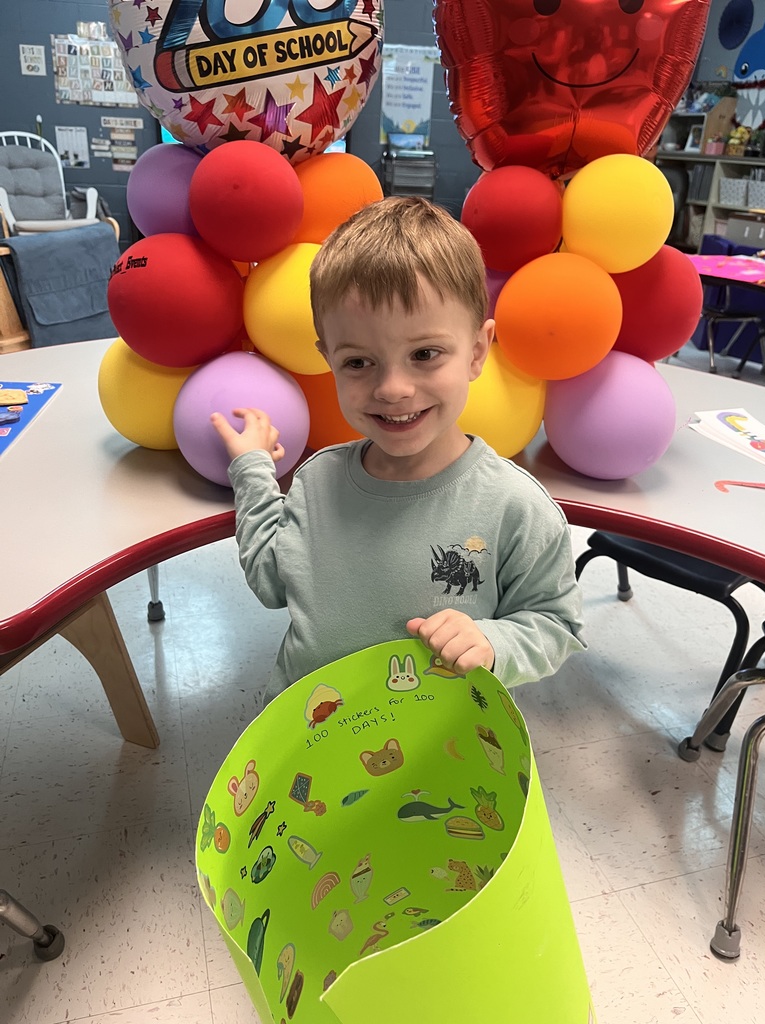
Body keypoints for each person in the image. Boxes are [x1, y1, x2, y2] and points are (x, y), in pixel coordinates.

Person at [211, 196, 585, 699]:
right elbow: (272, 580)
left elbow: (555, 625)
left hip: (440, 751)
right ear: (328, 359)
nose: (392, 388)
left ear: (477, 351)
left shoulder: (515, 507)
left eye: (424, 354)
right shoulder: (316, 482)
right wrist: (253, 469)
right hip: (311, 736)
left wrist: (493, 639)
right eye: (359, 363)